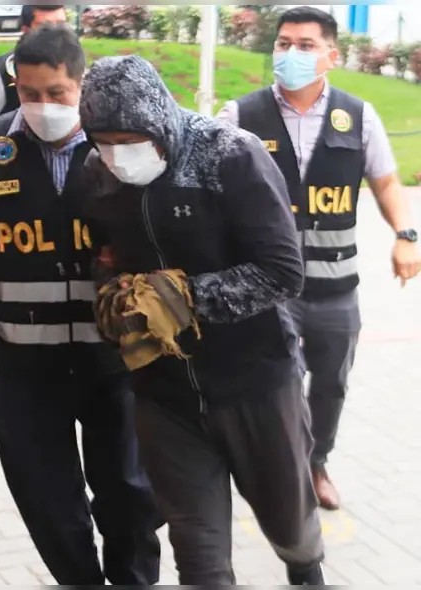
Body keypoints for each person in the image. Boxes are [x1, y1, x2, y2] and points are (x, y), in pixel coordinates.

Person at [79, 54, 326, 585]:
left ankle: (306, 569)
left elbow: (284, 272)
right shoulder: (97, 172)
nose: (118, 155)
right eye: (104, 141)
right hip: (164, 394)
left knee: (290, 525)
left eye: (131, 140)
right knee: (198, 556)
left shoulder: (230, 154)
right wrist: (111, 293)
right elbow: (104, 254)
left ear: (160, 122)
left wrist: (186, 298)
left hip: (256, 382)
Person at [0, 24, 161, 585]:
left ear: (81, 84)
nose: (43, 105)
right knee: (47, 503)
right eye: (29, 93)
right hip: (25, 368)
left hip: (115, 364)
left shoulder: (119, 143)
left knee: (131, 494)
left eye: (57, 92)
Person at [216, 5, 421, 510]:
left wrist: (406, 233)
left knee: (330, 384)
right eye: (284, 44)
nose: (292, 54)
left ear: (331, 55)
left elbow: (386, 182)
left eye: (306, 46)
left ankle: (316, 462)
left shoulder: (359, 116)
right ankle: (276, 467)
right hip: (266, 289)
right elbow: (207, 191)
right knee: (270, 383)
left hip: (335, 289)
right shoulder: (240, 117)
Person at [0, 5, 69, 132]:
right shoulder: (2, 72)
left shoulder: (76, 67)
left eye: (61, 26)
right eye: (45, 28)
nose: (56, 35)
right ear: (26, 31)